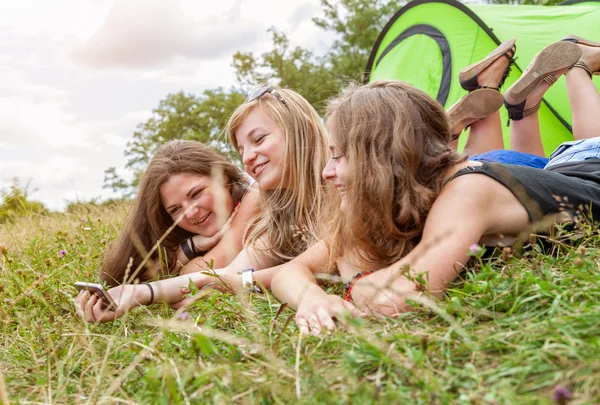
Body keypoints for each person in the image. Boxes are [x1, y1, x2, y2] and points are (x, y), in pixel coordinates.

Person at [270, 37, 600, 335]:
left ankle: (580, 64)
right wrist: (311, 298)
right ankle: (519, 103)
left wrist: (352, 276)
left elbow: (400, 297)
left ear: (382, 158)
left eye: (339, 156)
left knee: (590, 144)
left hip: (591, 163)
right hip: (558, 169)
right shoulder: (417, 195)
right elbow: (290, 271)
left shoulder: (468, 191)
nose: (327, 172)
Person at [76, 87, 330, 323]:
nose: (248, 157)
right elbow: (230, 271)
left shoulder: (268, 197)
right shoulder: (281, 206)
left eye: (259, 139)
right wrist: (144, 288)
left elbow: (236, 272)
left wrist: (150, 291)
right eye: (241, 149)